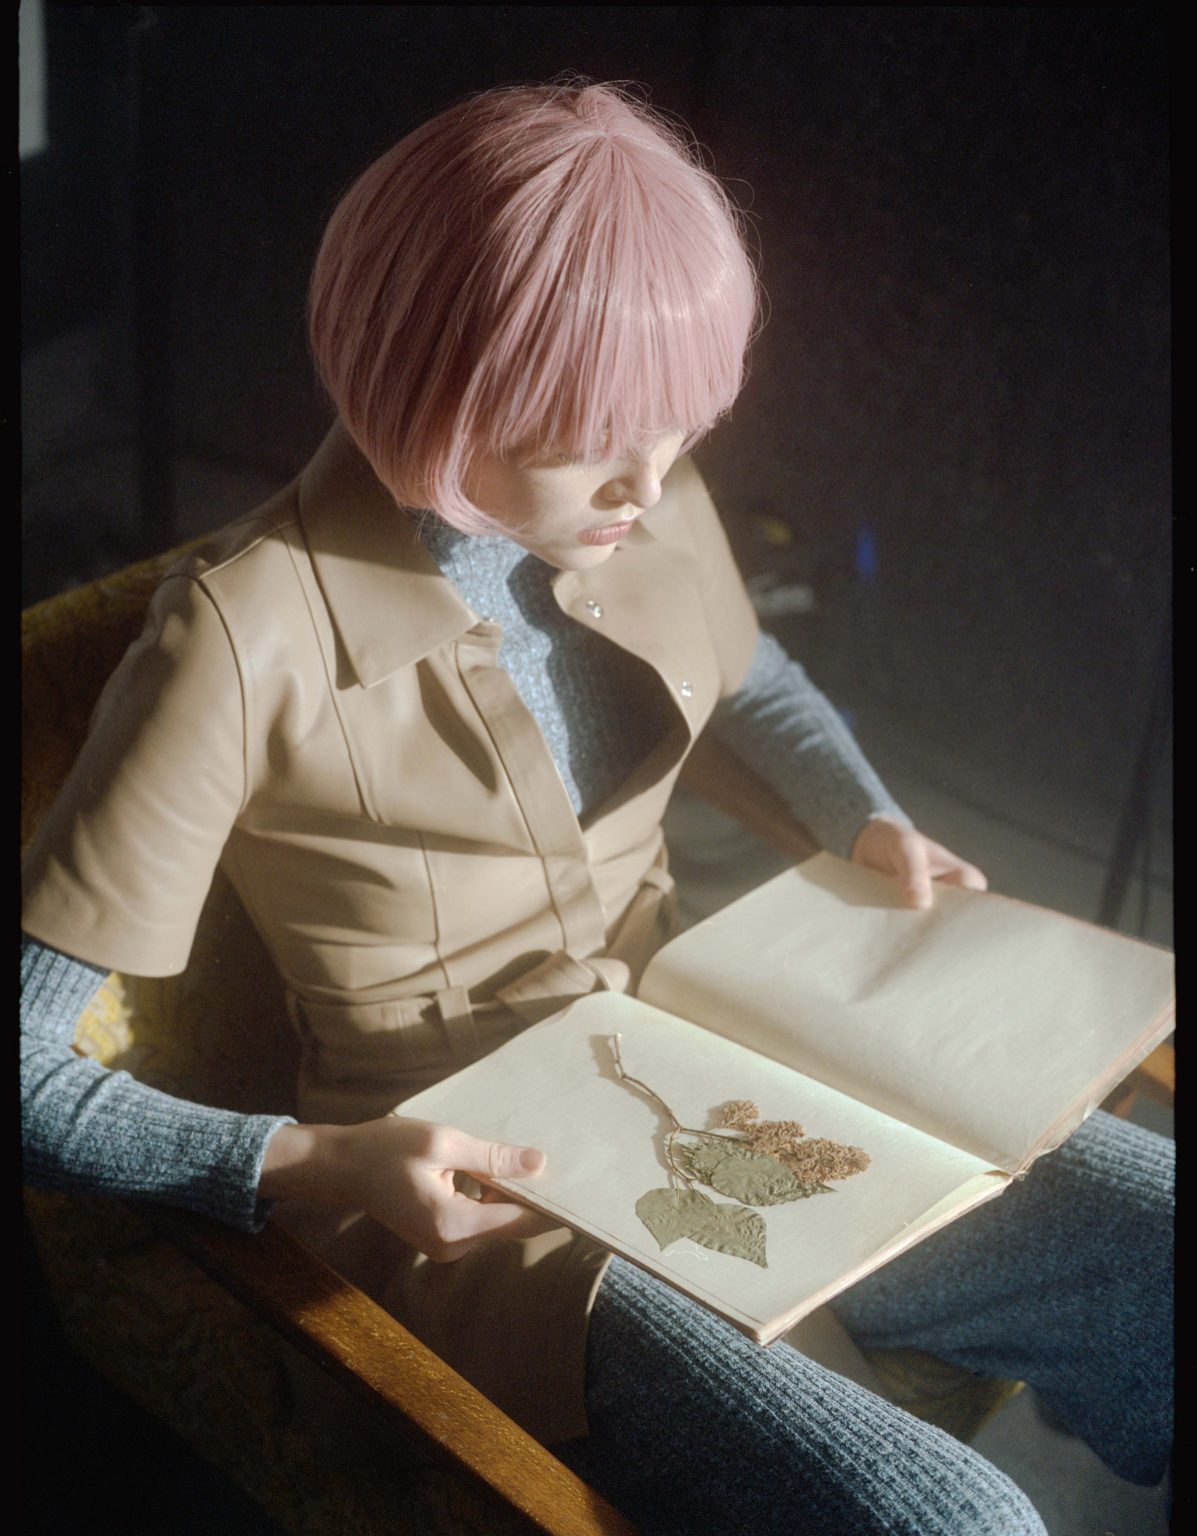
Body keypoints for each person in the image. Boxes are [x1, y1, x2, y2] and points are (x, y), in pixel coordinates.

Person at [21, 82, 1171, 1535]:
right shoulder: (238, 635)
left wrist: (862, 814)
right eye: (590, 441)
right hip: (472, 1179)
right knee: (945, 1519)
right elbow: (26, 1072)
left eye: (678, 426)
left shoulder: (643, 496)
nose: (650, 481)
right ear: (431, 387)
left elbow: (753, 679)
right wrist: (315, 1166)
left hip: (709, 1041)